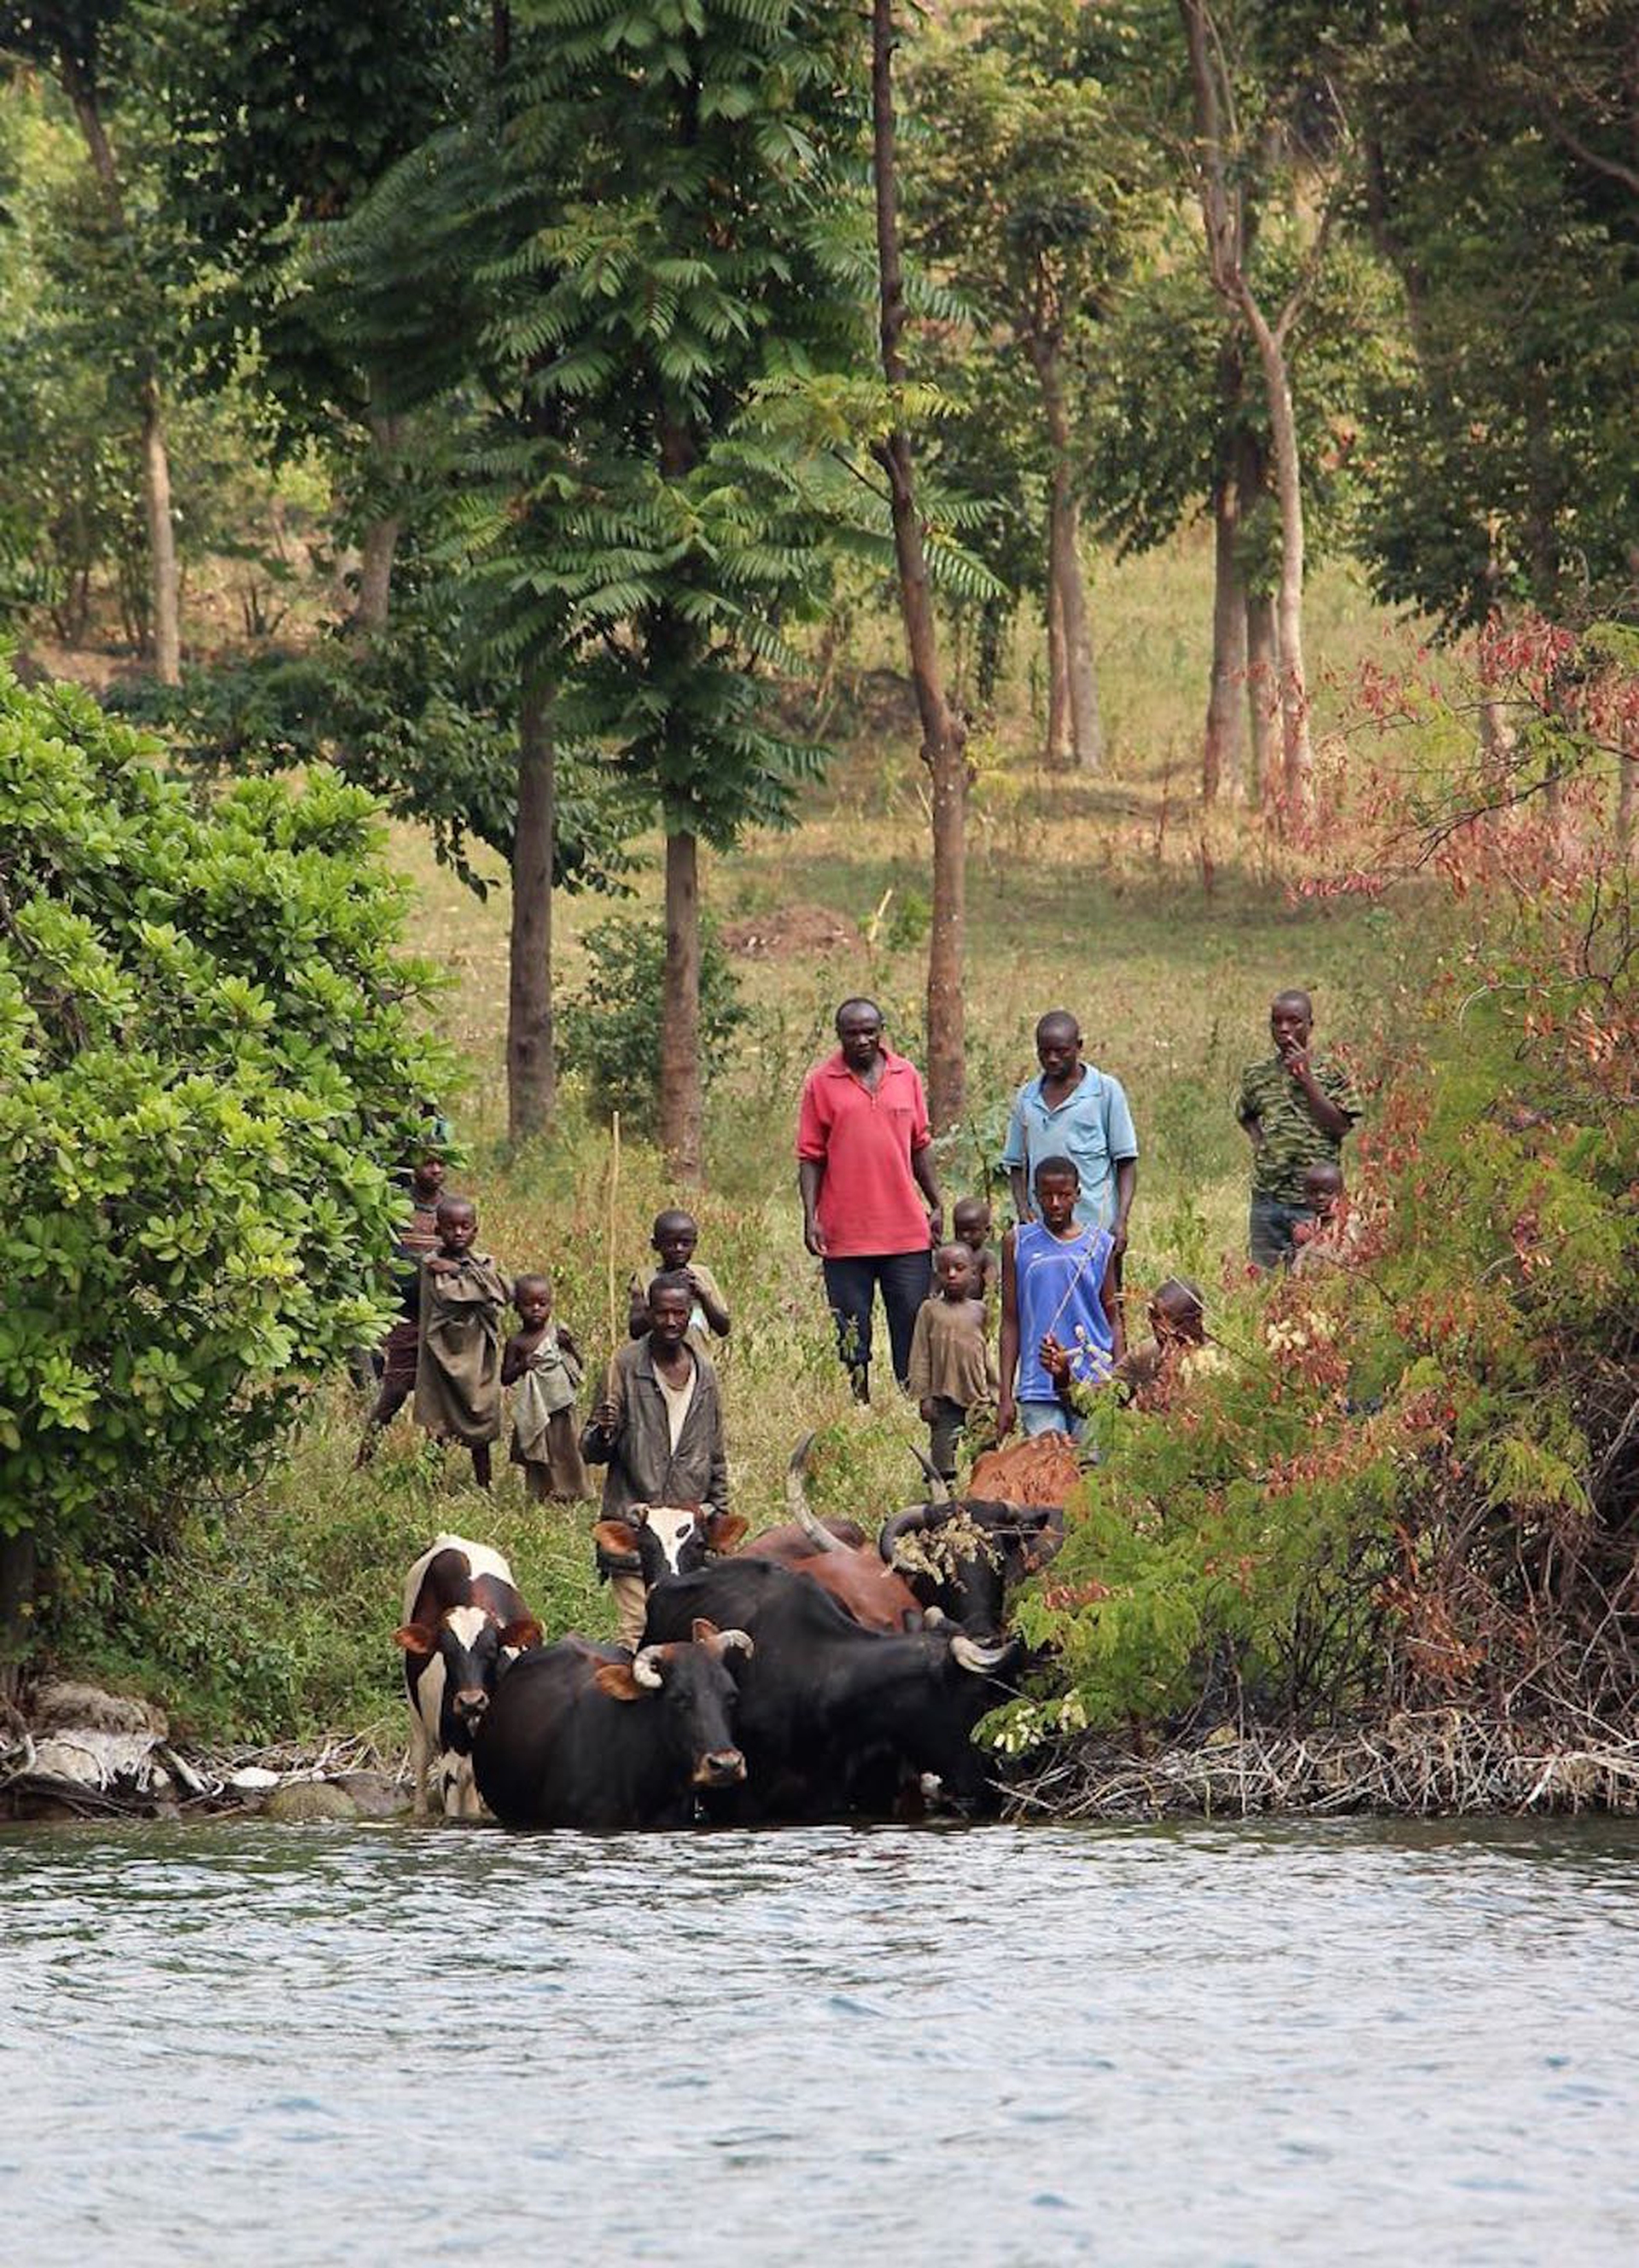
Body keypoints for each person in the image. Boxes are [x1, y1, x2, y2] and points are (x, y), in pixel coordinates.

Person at [796, 997, 943, 1401]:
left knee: (911, 1320)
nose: (861, 1040)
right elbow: (810, 1157)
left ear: (882, 1031)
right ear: (839, 1035)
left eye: (869, 1031)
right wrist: (811, 1217)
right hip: (845, 1234)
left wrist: (937, 1203)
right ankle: (859, 1400)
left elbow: (920, 1145)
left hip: (905, 1231)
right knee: (851, 1327)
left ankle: (912, 1401)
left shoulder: (906, 1074)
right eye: (852, 1033)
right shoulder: (821, 1083)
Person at [583, 1271, 730, 1648]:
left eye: (679, 1313)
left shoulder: (704, 1372)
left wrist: (720, 1516)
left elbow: (715, 1452)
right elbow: (591, 1452)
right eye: (662, 1313)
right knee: (637, 1632)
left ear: (690, 1314)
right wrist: (604, 1432)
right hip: (640, 1530)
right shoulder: (624, 1366)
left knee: (688, 1634)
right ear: (648, 1314)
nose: (670, 1322)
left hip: (687, 1537)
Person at [998, 1156, 1123, 1441]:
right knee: (1047, 1464)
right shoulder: (1018, 1243)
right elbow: (1010, 1320)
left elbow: (1113, 1318)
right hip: (1038, 1386)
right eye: (1047, 1195)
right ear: (1035, 1196)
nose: (1055, 1203)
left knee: (1091, 1465)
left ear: (1077, 1195)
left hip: (1092, 1381)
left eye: (1064, 1195)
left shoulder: (1100, 1244)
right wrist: (1005, 1395)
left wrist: (1118, 1381)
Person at [1237, 990, 1362, 1271]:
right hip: (1268, 1197)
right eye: (1277, 1022)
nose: (1284, 1029)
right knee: (1264, 1278)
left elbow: (1341, 1126)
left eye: (1294, 1021)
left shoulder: (1331, 1070)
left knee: (1314, 1275)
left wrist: (1306, 1080)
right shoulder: (1257, 1074)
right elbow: (1245, 1113)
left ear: (1310, 1025)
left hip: (1315, 1201)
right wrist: (1261, 1144)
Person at [1000, 1011, 1138, 1263]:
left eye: (1061, 1051)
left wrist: (1121, 1220)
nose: (1052, 1059)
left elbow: (1126, 1161)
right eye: (1044, 1052)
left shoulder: (1105, 1092)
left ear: (1079, 1047)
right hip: (1043, 1233)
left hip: (1096, 1229)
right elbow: (1016, 1165)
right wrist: (1023, 1210)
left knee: (1101, 1289)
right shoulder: (1027, 1098)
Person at [353, 1149, 446, 1465]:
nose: (435, 1170)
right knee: (394, 1391)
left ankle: (432, 1468)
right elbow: (386, 1261)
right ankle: (363, 1461)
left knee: (437, 1398)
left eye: (441, 1164)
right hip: (405, 1315)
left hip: (440, 1319)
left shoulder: (450, 1209)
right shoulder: (396, 1208)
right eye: (428, 1163)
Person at [413, 1195, 510, 1489]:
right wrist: (477, 1282)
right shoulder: (431, 1265)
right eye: (450, 1227)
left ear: (475, 1231)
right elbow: (452, 1295)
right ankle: (433, 1486)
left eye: (465, 1227)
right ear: (437, 1230)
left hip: (478, 1358)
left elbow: (504, 1290)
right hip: (440, 1357)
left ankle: (485, 1486)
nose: (458, 1233)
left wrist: (458, 1270)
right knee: (438, 1425)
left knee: (480, 1420)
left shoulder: (484, 1263)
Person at [907, 1242, 997, 1484]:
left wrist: (997, 1397)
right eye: (944, 1269)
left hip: (979, 1401)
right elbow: (920, 1354)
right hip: (943, 1400)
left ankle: (982, 1498)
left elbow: (986, 1357)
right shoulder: (930, 1310)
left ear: (973, 1273)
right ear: (936, 1274)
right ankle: (943, 1499)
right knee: (942, 1464)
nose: (952, 1274)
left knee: (987, 1461)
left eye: (959, 1268)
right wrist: (924, 1397)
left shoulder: (981, 1311)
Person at [503, 1274, 592, 1503]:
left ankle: (577, 1491)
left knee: (569, 1449)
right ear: (516, 1307)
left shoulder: (557, 1333)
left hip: (562, 1405)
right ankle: (545, 1493)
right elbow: (505, 1377)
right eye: (528, 1304)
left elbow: (578, 1366)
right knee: (541, 1452)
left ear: (551, 1304)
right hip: (536, 1407)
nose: (536, 1309)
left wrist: (569, 1346)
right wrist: (523, 1365)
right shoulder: (517, 1342)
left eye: (542, 1304)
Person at [627, 1209, 729, 1360]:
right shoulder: (645, 1278)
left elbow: (723, 1328)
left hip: (699, 1364)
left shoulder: (702, 1276)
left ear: (695, 1244)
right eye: (670, 1244)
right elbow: (635, 1329)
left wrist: (704, 1297)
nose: (678, 1249)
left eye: (685, 1243)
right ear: (655, 1245)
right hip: (654, 1365)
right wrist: (664, 1292)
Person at [1116, 1277, 1207, 1408]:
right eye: (1156, 1326)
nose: (1161, 1335)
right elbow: (1111, 1392)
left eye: (1172, 1326)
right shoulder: (1145, 1353)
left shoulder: (1213, 1364)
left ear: (1196, 1321)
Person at [1292, 1161, 1362, 1278]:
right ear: (1304, 1194)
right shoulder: (1310, 1227)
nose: (1320, 1197)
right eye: (1313, 1193)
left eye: (1328, 1192)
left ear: (1341, 1193)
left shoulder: (1349, 1226)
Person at [953, 1195, 1000, 1302]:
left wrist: (991, 1287)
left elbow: (992, 1278)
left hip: (976, 1305)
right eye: (959, 1230)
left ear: (987, 1231)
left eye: (972, 1231)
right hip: (951, 1306)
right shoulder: (952, 1254)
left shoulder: (985, 1256)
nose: (965, 1235)